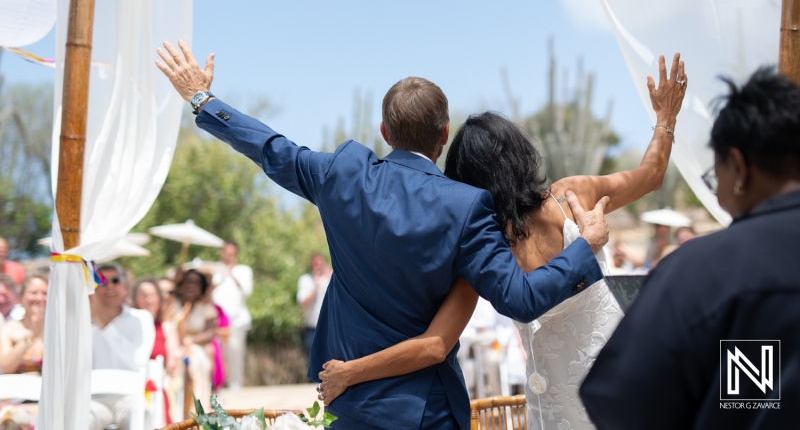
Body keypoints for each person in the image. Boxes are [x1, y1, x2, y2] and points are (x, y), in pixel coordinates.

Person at [156, 40, 609, 429]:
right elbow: (521, 299)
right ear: (444, 136)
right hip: (425, 412)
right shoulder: (466, 207)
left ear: (385, 132)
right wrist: (584, 247)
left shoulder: (342, 175)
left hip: (348, 406)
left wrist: (201, 98)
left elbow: (272, 149)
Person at [317, 53, 687, 430]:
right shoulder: (572, 198)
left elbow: (433, 345)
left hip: (556, 402)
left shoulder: (479, 253)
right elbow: (652, 175)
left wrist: (351, 372)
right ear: (520, 153)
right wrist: (665, 119)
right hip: (625, 377)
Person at [580, 68, 800, 429]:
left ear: (739, 168)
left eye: (716, 176)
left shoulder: (706, 271)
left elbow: (618, 402)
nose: (716, 192)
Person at [90, 264, 156, 430]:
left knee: (142, 418)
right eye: (102, 281)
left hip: (130, 398)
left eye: (115, 280)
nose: (109, 286)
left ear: (125, 288)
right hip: (94, 399)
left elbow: (137, 360)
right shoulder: (83, 323)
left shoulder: (141, 318)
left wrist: (105, 326)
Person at [0, 274, 48, 429]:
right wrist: (28, 338)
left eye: (45, 293)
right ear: (21, 298)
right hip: (14, 400)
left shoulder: (58, 333)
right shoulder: (9, 329)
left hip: (46, 400)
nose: (39, 298)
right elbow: (6, 367)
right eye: (33, 293)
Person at [132, 277, 180, 424]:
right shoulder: (128, 327)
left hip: (157, 389)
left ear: (159, 299)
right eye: (143, 295)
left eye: (152, 295)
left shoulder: (167, 328)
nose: (148, 300)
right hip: (132, 388)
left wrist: (175, 361)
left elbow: (172, 363)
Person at [211, 240, 253, 390]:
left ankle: (236, 386)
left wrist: (232, 273)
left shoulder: (244, 270)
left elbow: (246, 291)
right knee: (218, 356)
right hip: (217, 321)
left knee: (236, 355)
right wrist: (221, 274)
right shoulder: (215, 269)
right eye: (225, 252)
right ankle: (218, 386)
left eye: (231, 253)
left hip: (237, 321)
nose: (228, 256)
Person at [174, 268, 219, 406]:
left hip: (198, 348)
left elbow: (210, 333)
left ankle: (197, 406)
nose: (191, 285)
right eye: (188, 281)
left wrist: (191, 341)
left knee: (194, 359)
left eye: (196, 282)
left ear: (201, 287)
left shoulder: (207, 309)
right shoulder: (173, 306)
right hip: (174, 347)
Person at [296, 252, 332, 358]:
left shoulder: (331, 278)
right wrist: (316, 286)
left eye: (320, 263)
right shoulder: (305, 280)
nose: (318, 266)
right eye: (316, 263)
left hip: (330, 327)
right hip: (313, 328)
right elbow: (303, 303)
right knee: (312, 362)